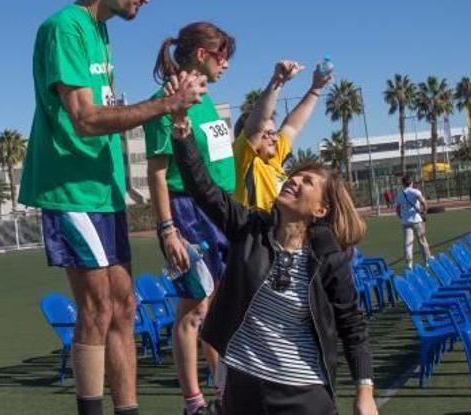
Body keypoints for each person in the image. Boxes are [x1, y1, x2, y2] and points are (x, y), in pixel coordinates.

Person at [17, 0, 206, 415]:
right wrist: (166, 103)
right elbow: (83, 117)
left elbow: (108, 112)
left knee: (124, 306)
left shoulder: (99, 32)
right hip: (71, 191)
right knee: (98, 308)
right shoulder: (65, 27)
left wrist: (169, 99)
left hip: (105, 192)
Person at [170, 109, 378, 415]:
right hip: (243, 387)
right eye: (295, 175)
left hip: (303, 393)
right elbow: (204, 189)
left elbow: (352, 324)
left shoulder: (327, 256)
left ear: (321, 210)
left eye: (307, 182)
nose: (294, 180)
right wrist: (182, 131)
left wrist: (365, 390)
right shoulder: (249, 228)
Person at [143, 22, 236, 414]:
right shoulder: (165, 101)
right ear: (201, 55)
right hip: (187, 213)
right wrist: (168, 230)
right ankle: (193, 402)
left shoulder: (209, 100)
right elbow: (158, 173)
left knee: (218, 307)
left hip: (221, 211)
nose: (227, 65)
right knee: (195, 307)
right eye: (222, 56)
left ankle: (223, 393)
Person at [232, 60, 331, 211]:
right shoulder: (244, 160)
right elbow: (256, 125)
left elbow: (292, 126)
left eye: (274, 132)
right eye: (268, 133)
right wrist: (278, 81)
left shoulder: (274, 159)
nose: (275, 137)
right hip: (262, 232)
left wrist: (316, 88)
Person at [395, 175, 433, 269]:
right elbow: (423, 202)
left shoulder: (399, 194)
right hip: (416, 220)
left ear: (403, 184)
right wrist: (424, 211)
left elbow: (397, 208)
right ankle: (426, 261)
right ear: (411, 182)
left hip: (405, 222)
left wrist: (400, 216)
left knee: (408, 244)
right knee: (422, 241)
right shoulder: (415, 191)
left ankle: (409, 264)